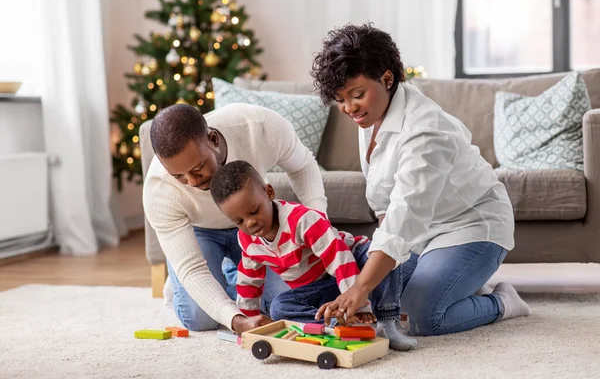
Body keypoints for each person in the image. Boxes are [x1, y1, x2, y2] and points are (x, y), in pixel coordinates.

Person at [310, 23, 531, 336]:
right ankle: (457, 281)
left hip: (470, 227)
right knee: (380, 300)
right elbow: (387, 205)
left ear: (387, 78)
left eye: (356, 95)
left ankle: (502, 302)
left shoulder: (426, 132)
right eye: (340, 99)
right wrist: (367, 285)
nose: (348, 108)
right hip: (422, 234)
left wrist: (360, 286)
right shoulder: (374, 113)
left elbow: (405, 212)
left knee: (415, 316)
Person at [143, 102, 327, 334]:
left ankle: (233, 272)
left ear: (213, 139)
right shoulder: (158, 189)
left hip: (257, 225)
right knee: (200, 319)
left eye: (198, 168)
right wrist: (237, 321)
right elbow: (192, 269)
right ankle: (208, 273)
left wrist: (319, 225)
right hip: (201, 231)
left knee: (288, 301)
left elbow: (302, 166)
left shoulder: (259, 127)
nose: (192, 181)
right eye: (179, 176)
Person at [210, 160, 417, 351]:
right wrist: (249, 323)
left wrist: (359, 301)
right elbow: (249, 283)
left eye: (254, 211)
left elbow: (338, 257)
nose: (250, 223)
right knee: (279, 307)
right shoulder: (247, 240)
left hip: (351, 262)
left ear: (269, 192)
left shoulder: (302, 220)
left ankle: (386, 321)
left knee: (386, 251)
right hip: (320, 286)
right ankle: (339, 324)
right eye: (239, 221)